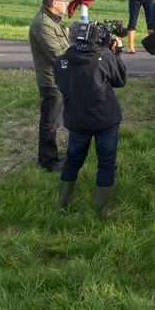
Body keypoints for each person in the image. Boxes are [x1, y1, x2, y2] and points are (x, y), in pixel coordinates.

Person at [54, 19, 127, 216]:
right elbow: (120, 80)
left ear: (71, 38)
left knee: (72, 161)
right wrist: (117, 54)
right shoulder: (104, 58)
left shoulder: (60, 61)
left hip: (77, 120)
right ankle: (102, 210)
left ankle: (62, 206)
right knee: (106, 164)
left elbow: (62, 85)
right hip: (105, 119)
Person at [29, 0, 70, 171]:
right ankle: (47, 162)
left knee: (54, 120)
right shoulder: (43, 24)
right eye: (64, 1)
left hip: (58, 79)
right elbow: (57, 54)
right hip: (51, 81)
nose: (67, 4)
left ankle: (50, 155)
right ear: (54, 3)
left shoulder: (53, 21)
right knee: (50, 121)